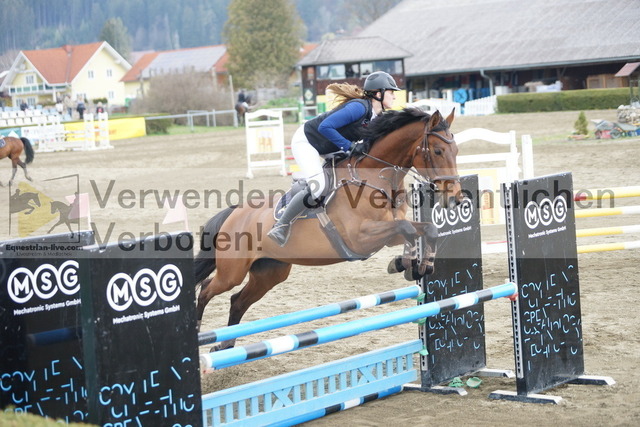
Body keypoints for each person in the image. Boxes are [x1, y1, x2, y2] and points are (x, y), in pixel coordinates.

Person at [267, 71, 401, 246]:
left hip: (331, 145)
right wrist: (350, 147)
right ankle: (281, 225)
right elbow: (325, 127)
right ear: (378, 93)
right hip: (308, 141)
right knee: (318, 187)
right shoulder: (359, 108)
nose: (394, 96)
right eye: (391, 92)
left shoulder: (377, 117)